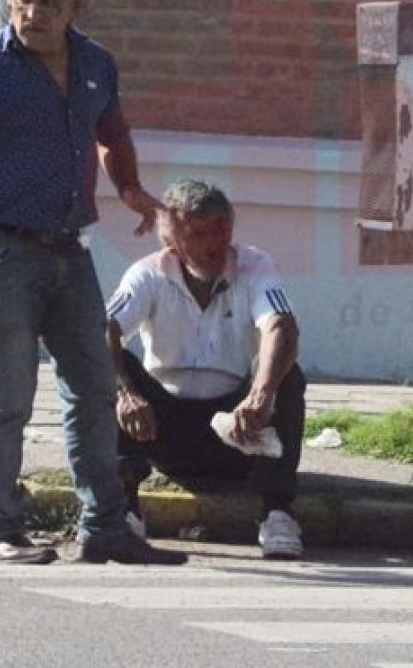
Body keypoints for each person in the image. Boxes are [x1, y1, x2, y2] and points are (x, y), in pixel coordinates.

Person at [0, 0, 186, 565]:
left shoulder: (95, 62)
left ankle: (104, 530)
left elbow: (112, 131)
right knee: (8, 396)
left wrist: (129, 188)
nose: (33, 13)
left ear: (76, 4)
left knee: (95, 386)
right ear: (9, 0)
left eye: (49, 1)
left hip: (69, 248)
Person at [104, 180, 307, 560]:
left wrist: (260, 395)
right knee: (110, 366)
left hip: (239, 428)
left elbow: (281, 325)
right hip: (161, 429)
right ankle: (124, 507)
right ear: (172, 239)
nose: (214, 244)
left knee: (287, 374)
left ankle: (278, 513)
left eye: (221, 230)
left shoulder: (255, 266)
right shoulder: (147, 273)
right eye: (198, 233)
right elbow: (106, 329)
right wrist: (125, 393)